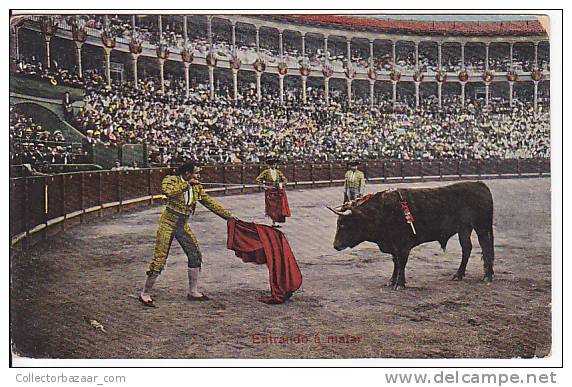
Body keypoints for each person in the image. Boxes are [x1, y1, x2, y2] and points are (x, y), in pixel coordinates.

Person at [139, 162, 235, 307]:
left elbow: (210, 203)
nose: (198, 176)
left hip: (182, 225)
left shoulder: (197, 187)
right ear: (187, 173)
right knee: (160, 259)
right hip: (167, 224)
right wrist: (187, 184)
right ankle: (145, 293)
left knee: (195, 254)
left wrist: (230, 217)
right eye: (196, 173)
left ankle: (193, 291)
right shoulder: (171, 180)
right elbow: (169, 192)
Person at [255, 158, 290, 227]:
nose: (273, 165)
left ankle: (275, 222)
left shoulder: (278, 172)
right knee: (271, 207)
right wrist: (263, 186)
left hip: (277, 191)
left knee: (277, 207)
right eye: (272, 164)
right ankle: (273, 222)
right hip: (269, 191)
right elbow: (258, 179)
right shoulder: (266, 172)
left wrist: (282, 184)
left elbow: (285, 180)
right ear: (269, 165)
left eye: (274, 164)